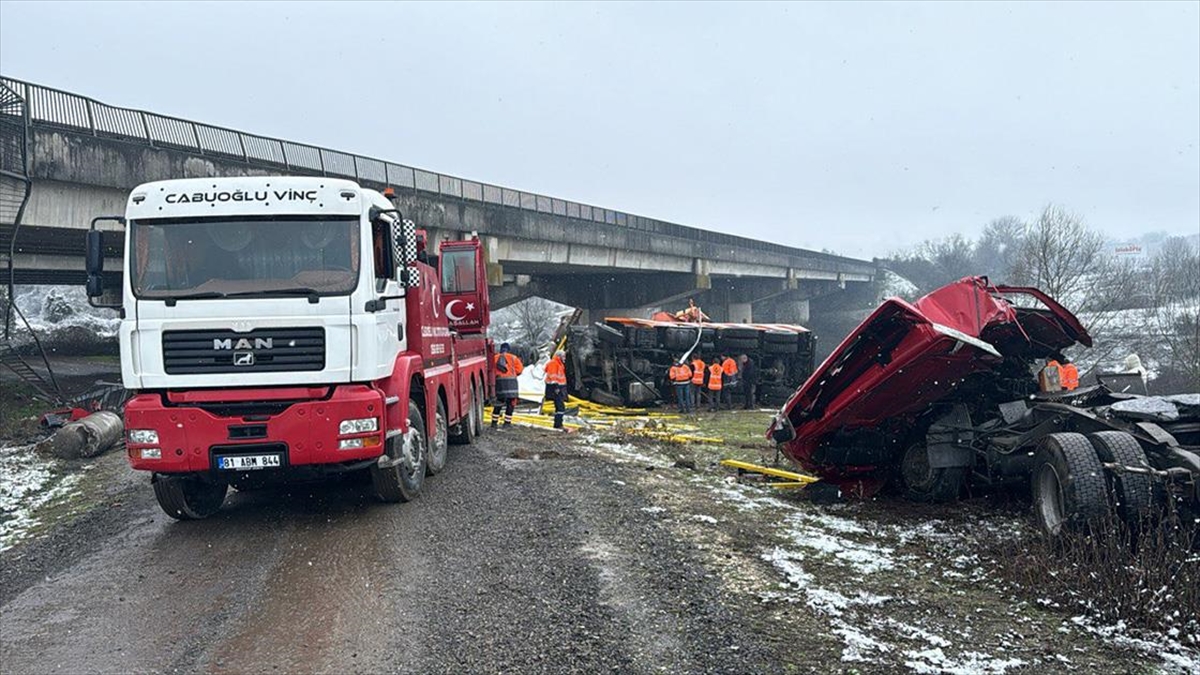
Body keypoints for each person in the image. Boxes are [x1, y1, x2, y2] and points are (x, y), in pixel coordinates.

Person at [492, 343, 524, 427]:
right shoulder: (513, 358)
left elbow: (491, 371)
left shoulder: (494, 358)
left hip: (499, 383)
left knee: (499, 402)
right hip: (511, 384)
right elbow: (520, 370)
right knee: (511, 403)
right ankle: (507, 423)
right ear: (509, 349)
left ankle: (494, 422)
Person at [544, 349, 568, 429]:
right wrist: (556, 387)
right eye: (563, 356)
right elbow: (553, 377)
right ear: (559, 356)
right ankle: (558, 425)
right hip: (556, 388)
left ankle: (558, 424)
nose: (565, 358)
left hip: (559, 388)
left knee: (560, 407)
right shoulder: (554, 363)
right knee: (560, 407)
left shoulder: (558, 363)